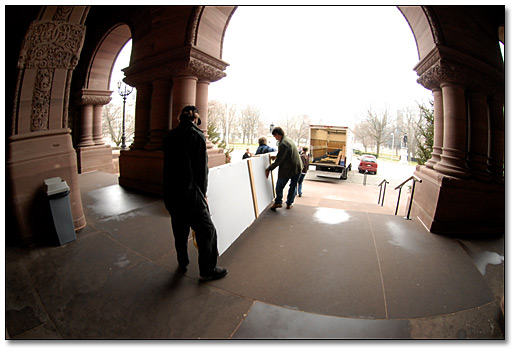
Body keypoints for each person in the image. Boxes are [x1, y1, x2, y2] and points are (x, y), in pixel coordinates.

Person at [162, 105, 228, 281]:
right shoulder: (197, 136)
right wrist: (203, 195)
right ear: (196, 119)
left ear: (180, 119)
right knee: (207, 231)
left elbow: (167, 169)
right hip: (190, 195)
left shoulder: (170, 136)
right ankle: (208, 269)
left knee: (180, 230)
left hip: (171, 194)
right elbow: (201, 171)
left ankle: (182, 262)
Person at [265, 127, 302, 210]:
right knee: (293, 186)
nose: (275, 138)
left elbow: (279, 161)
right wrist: (277, 156)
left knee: (279, 185)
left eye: (275, 136)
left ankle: (278, 202)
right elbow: (285, 154)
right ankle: (289, 203)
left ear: (277, 134)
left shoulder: (283, 144)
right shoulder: (288, 140)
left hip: (289, 168)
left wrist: (269, 168)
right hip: (298, 166)